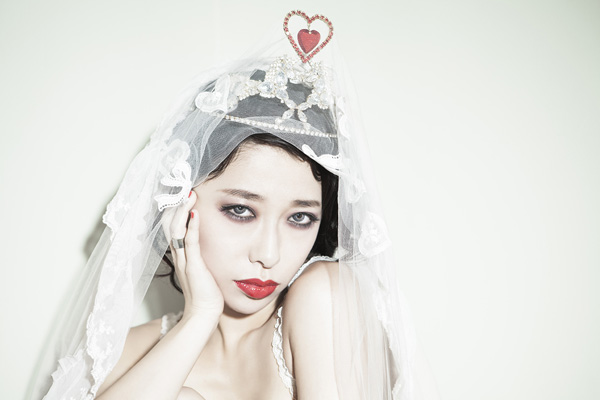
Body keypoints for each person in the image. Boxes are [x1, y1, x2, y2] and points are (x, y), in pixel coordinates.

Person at [30, 10, 437, 400]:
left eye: (300, 218)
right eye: (241, 210)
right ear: (182, 208)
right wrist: (199, 317)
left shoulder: (326, 297)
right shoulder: (125, 355)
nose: (268, 254)